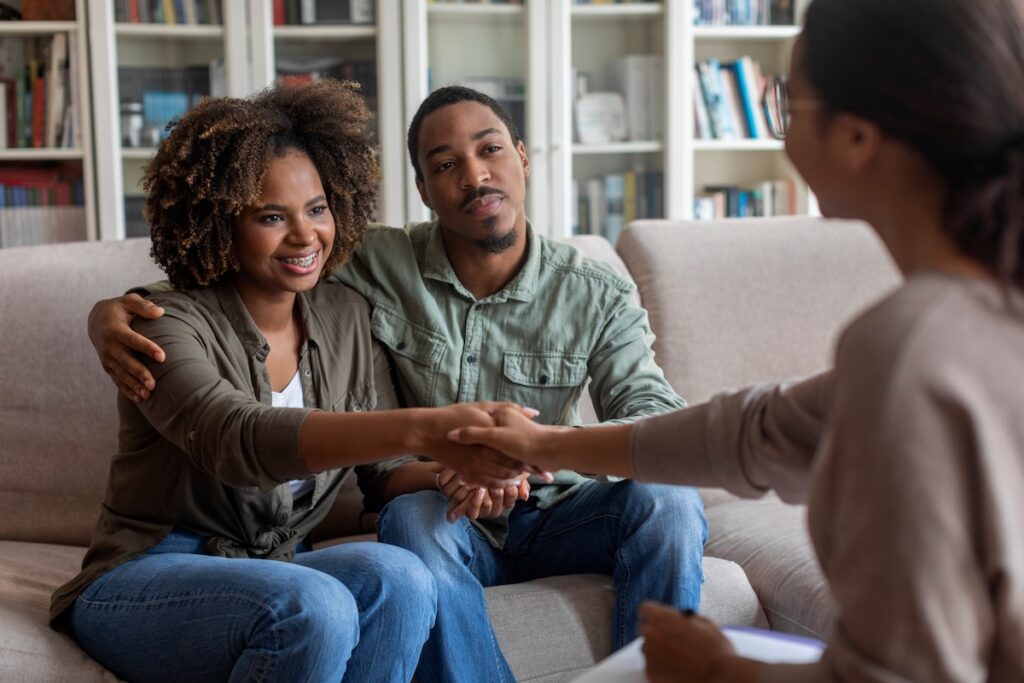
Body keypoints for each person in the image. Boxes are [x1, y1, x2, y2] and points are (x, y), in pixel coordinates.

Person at [448, 0, 1024, 681]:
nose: (779, 129)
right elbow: (753, 431)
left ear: (859, 137)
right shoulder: (957, 323)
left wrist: (725, 667)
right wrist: (545, 445)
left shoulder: (910, 348)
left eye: (787, 100)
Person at [86, 86, 708, 682]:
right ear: (423, 189)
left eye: (490, 150)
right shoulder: (362, 269)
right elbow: (234, 419)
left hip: (556, 512)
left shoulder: (347, 311)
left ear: (521, 157)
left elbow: (656, 421)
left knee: (665, 502)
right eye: (446, 164)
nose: (475, 176)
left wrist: (519, 454)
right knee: (400, 534)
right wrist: (107, 312)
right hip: (185, 552)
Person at [51, 80, 535, 683]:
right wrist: (437, 427)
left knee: (402, 575)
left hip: (279, 565)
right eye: (272, 217)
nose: (305, 236)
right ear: (220, 221)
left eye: (317, 209)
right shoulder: (162, 323)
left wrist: (451, 470)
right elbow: (236, 439)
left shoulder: (347, 316)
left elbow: (384, 476)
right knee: (314, 604)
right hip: (148, 573)